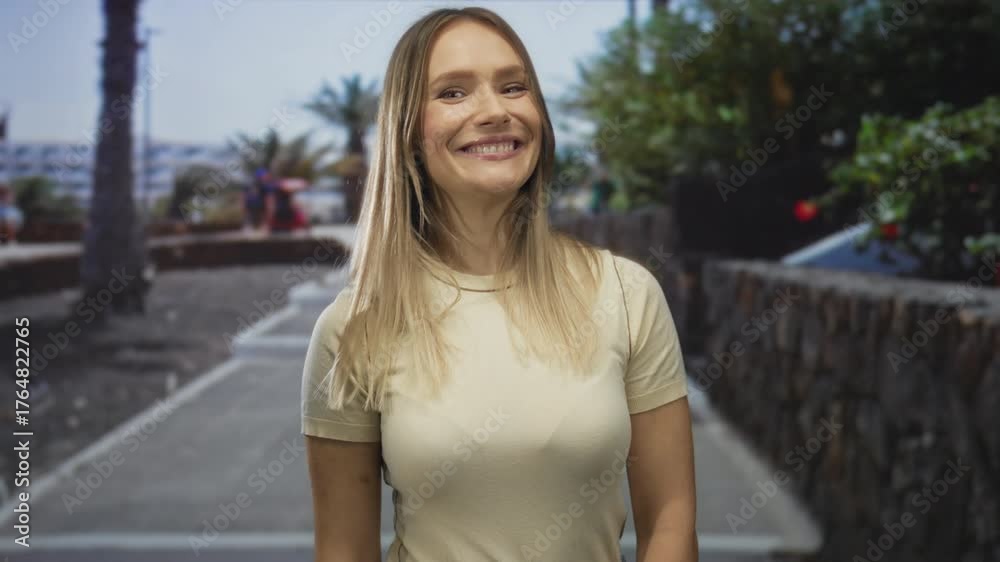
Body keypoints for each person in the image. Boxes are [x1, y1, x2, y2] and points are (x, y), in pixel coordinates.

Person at [300, 7, 696, 562]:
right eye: (453, 93)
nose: (494, 111)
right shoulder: (353, 329)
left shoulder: (628, 296)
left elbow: (671, 523)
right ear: (407, 135)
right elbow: (343, 549)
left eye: (513, 87)